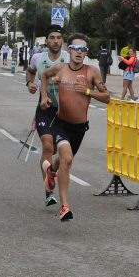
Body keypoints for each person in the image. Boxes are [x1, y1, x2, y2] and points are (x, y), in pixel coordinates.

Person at [40, 33, 110, 221]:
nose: (79, 52)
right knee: (68, 160)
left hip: (80, 128)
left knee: (62, 162)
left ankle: (51, 172)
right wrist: (44, 96)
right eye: (76, 48)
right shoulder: (60, 69)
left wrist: (88, 91)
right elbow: (45, 76)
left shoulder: (92, 71)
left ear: (86, 52)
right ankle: (64, 206)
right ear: (69, 50)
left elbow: (108, 97)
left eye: (83, 49)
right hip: (61, 124)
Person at [25, 24, 69, 206]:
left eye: (59, 38)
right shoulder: (38, 58)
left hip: (66, 110)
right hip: (45, 108)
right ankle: (49, 191)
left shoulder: (69, 58)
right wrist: (29, 84)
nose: (55, 41)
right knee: (48, 146)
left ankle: (52, 171)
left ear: (63, 41)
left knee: (64, 153)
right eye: (52, 38)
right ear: (46, 41)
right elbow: (30, 72)